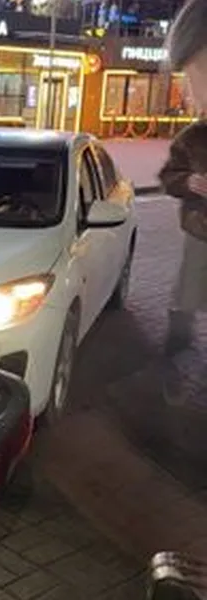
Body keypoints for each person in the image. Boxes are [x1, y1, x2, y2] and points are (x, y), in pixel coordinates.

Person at [158, 0, 207, 358]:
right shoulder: (190, 139)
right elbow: (169, 176)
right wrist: (188, 182)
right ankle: (178, 342)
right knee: (187, 291)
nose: (195, 96)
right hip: (200, 230)